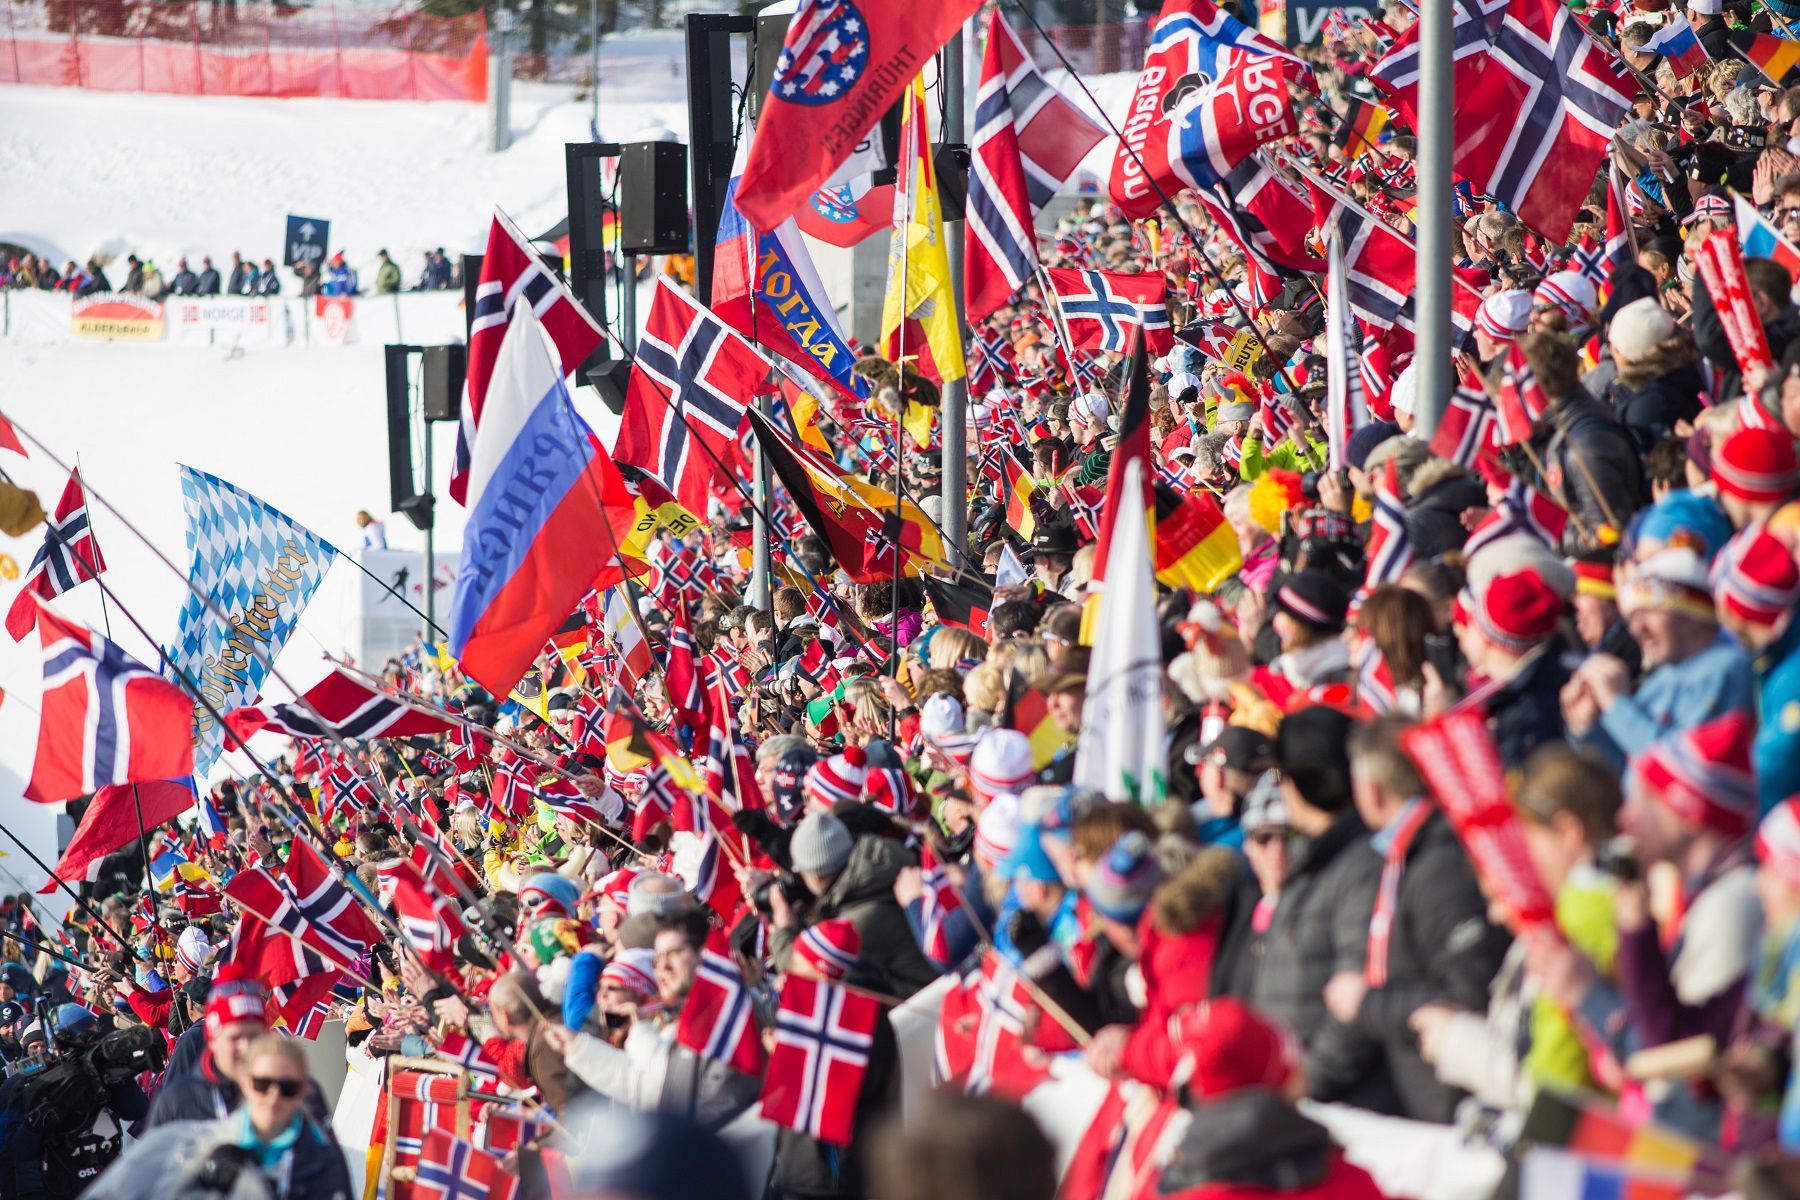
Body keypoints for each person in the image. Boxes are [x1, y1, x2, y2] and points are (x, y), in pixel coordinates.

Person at [86, 1033, 352, 1200]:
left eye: (288, 1088)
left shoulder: (320, 1151)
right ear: (244, 1084)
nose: (274, 1096)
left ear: (303, 1091)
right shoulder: (199, 1141)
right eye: (262, 1084)